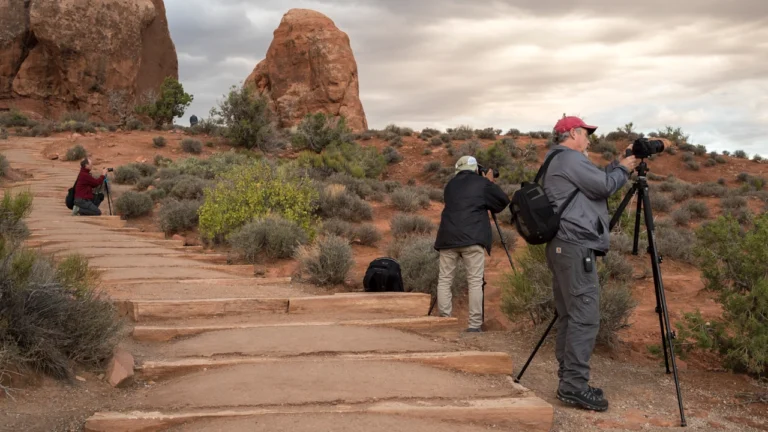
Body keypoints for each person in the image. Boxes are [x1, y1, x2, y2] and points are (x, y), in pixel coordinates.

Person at [542, 116, 637, 412]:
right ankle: (573, 386)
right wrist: (624, 169)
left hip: (563, 246)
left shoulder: (557, 160)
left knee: (571, 316)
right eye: (586, 134)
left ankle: (569, 381)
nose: (589, 140)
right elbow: (606, 187)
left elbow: (595, 183)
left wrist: (618, 163)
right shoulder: (569, 158)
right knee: (584, 316)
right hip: (574, 246)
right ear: (573, 133)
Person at [433, 155, 511, 332]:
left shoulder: (450, 185)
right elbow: (502, 202)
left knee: (445, 280)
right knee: (475, 281)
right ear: (476, 169)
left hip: (447, 238)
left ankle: (445, 321)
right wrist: (489, 182)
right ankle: (474, 325)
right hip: (473, 238)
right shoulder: (482, 184)